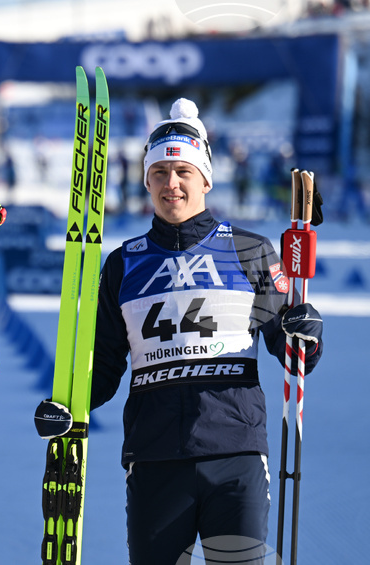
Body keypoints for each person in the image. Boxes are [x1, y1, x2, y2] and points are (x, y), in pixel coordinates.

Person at [34, 99, 324, 564]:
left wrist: (306, 330)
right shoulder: (124, 263)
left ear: (205, 178)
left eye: (183, 172)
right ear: (147, 181)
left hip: (236, 454)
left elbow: (293, 355)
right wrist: (69, 404)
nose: (172, 184)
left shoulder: (251, 251)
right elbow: (105, 364)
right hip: (155, 457)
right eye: (160, 173)